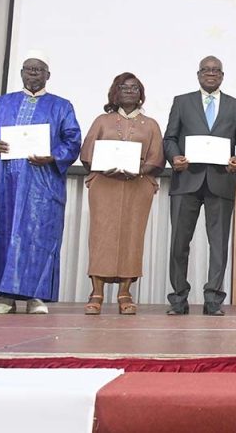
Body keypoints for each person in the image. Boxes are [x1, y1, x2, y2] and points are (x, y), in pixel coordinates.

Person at [0, 50, 81, 314]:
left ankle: (36, 297)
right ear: (21, 73)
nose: (33, 73)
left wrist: (53, 157)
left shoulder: (61, 105)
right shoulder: (3, 103)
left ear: (48, 75)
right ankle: (3, 297)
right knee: (1, 231)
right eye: (28, 68)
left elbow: (72, 140)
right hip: (4, 183)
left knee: (39, 235)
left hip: (42, 183)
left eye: (38, 69)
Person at [163, 55, 236, 315]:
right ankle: (178, 299)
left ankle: (213, 299)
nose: (211, 74)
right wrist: (173, 157)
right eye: (206, 70)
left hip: (221, 180)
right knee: (179, 243)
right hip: (186, 180)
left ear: (222, 76)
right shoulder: (182, 102)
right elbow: (169, 137)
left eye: (216, 70)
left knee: (219, 244)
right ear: (198, 74)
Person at [79, 73, 164, 315]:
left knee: (132, 237)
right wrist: (106, 166)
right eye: (124, 87)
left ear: (141, 94)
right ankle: (96, 293)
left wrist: (137, 169)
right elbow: (87, 153)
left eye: (134, 87)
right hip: (105, 185)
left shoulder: (151, 125)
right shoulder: (102, 121)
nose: (129, 91)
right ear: (115, 92)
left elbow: (157, 157)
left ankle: (125, 294)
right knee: (101, 236)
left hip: (138, 185)